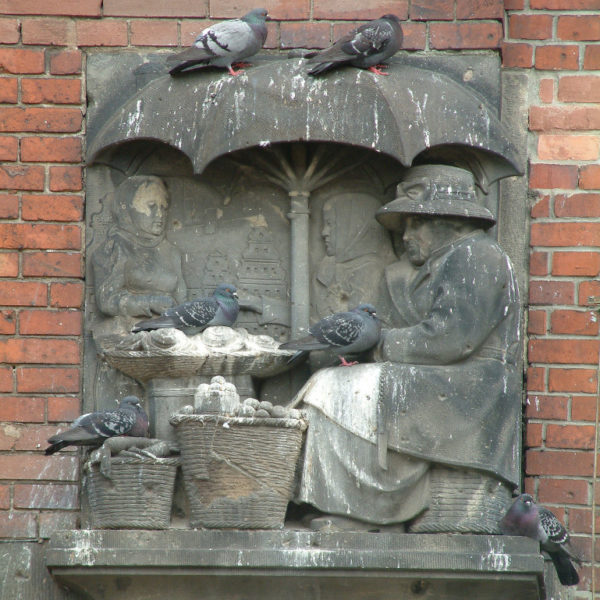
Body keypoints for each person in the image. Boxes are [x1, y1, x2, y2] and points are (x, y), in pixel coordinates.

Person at [292, 164, 521, 528]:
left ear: (448, 222)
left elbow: (451, 338)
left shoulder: (479, 257)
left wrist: (380, 346)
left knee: (336, 389)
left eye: (415, 224)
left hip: (470, 386)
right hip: (431, 375)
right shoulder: (414, 270)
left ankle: (363, 508)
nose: (406, 235)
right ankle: (357, 502)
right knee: (329, 383)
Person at [92, 175, 187, 323]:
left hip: (169, 330)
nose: (160, 215)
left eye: (164, 207)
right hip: (128, 330)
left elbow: (182, 299)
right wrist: (149, 302)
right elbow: (106, 300)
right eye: (151, 206)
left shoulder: (172, 252)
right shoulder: (115, 248)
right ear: (127, 208)